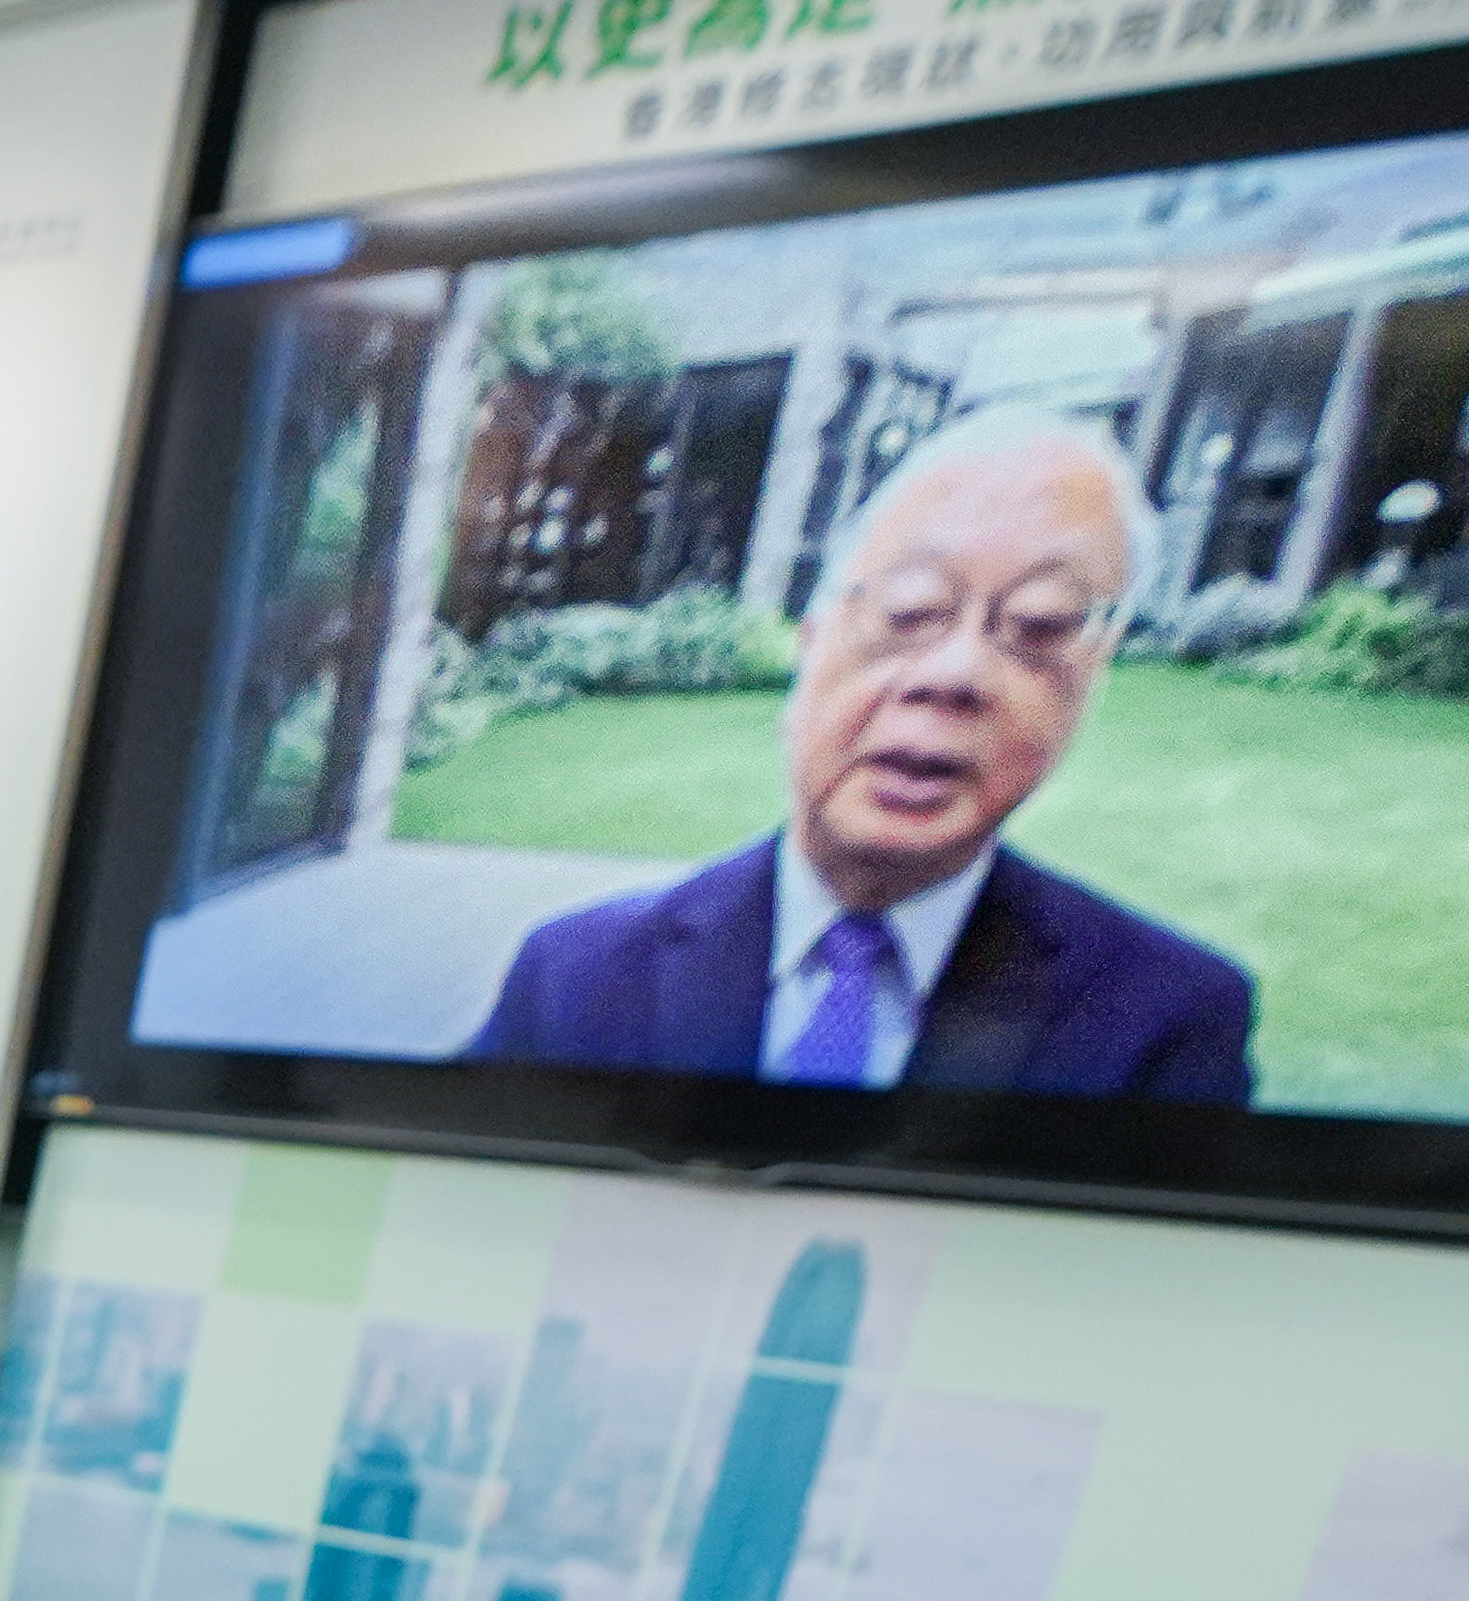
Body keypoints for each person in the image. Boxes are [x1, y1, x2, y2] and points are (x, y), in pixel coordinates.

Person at [460, 419, 1254, 1104]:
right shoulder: (572, 980)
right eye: (909, 610)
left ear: (1088, 684)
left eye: (1039, 627)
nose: (953, 675)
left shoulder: (1167, 1026)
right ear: (810, 647)